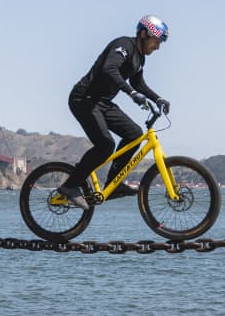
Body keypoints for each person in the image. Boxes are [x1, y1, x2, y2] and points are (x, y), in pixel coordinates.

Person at [57, 15, 171, 210]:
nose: (157, 47)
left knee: (134, 134)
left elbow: (137, 83)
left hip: (102, 103)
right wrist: (131, 94)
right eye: (156, 41)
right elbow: (109, 68)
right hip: (83, 99)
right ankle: (70, 186)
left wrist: (157, 98)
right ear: (143, 34)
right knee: (105, 145)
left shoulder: (140, 58)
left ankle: (113, 184)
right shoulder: (124, 45)